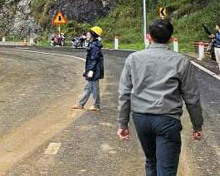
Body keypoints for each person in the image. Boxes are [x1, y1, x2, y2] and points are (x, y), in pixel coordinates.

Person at [117, 19, 203, 176]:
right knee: (166, 170)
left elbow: (124, 93)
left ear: (149, 37)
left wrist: (123, 123)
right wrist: (197, 125)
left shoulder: (134, 59)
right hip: (167, 120)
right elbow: (192, 97)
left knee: (151, 161)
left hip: (141, 119)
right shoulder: (181, 61)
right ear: (171, 38)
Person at [71, 26, 104, 111]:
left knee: (94, 88)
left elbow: (94, 59)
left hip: (95, 70)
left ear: (93, 35)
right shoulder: (92, 44)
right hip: (91, 69)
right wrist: (87, 69)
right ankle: (81, 104)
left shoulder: (95, 45)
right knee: (88, 87)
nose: (87, 35)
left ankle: (96, 105)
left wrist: (91, 70)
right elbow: (89, 60)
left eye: (88, 34)